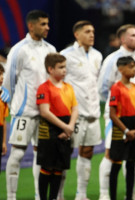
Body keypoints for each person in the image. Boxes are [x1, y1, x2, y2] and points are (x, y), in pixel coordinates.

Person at [4, 10, 56, 200]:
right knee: (17, 154)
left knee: (41, 156)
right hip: (24, 112)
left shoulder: (51, 49)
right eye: (43, 24)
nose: (47, 27)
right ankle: (11, 197)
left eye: (48, 24)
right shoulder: (19, 50)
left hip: (46, 113)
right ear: (31, 25)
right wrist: (14, 106)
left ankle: (38, 195)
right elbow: (8, 82)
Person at [60, 20, 103, 200]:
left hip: (93, 113)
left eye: (93, 31)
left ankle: (81, 194)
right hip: (73, 115)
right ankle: (59, 194)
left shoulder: (97, 55)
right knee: (64, 155)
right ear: (77, 35)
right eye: (87, 31)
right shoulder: (65, 55)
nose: (92, 34)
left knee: (87, 152)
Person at [97, 24, 135, 200]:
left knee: (131, 158)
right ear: (123, 39)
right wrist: (116, 103)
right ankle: (104, 194)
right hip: (116, 116)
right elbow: (102, 88)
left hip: (134, 116)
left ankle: (131, 194)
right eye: (133, 35)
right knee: (110, 154)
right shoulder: (112, 60)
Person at [36, 53, 78, 200]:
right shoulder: (44, 88)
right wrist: (65, 127)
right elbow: (45, 112)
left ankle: (54, 197)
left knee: (59, 167)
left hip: (66, 129)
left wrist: (70, 127)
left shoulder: (69, 87)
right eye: (60, 67)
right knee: (47, 166)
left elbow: (75, 109)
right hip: (49, 132)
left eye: (65, 67)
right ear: (50, 69)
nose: (64, 70)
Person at [108, 56, 135, 200]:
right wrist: (126, 131)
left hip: (134, 129)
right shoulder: (116, 88)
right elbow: (112, 114)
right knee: (116, 165)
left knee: (131, 165)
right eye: (130, 67)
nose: (134, 70)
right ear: (121, 69)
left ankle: (129, 196)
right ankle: (113, 197)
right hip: (121, 129)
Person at [0, 64, 9, 166]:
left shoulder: (3, 96)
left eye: (2, 74)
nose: (2, 77)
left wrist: (3, 142)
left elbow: (4, 121)